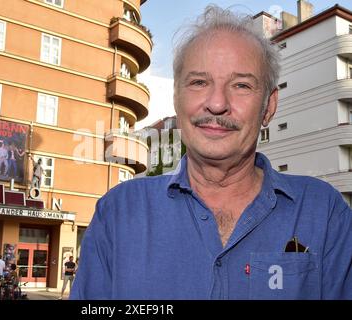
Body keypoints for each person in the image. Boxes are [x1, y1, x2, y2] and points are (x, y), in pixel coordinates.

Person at [70, 6, 352, 300]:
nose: (217, 103)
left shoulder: (324, 214)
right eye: (199, 83)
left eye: (241, 85)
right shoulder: (118, 214)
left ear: (269, 106)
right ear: (177, 99)